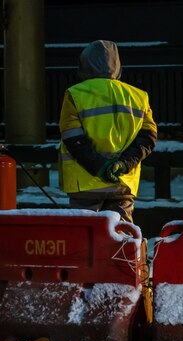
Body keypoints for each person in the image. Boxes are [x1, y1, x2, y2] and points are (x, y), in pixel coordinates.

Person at [58, 40, 157, 222]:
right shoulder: (138, 96)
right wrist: (124, 164)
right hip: (122, 183)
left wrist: (100, 166)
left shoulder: (75, 94)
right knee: (121, 238)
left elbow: (73, 138)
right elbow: (148, 138)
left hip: (85, 184)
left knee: (84, 238)